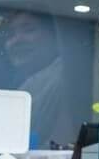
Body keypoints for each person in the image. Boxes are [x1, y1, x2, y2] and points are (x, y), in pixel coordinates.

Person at [5, 11, 77, 148]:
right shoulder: (29, 83)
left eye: (29, 30)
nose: (17, 40)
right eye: (11, 34)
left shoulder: (66, 77)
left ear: (56, 37)